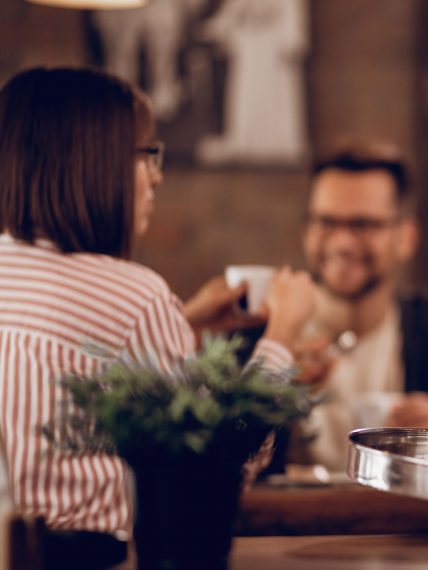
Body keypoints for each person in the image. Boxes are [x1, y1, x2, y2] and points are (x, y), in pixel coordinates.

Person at [0, 67, 315, 538]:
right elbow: (210, 479)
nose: (158, 177)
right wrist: (281, 340)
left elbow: (66, 362)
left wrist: (182, 323)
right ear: (94, 164)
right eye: (146, 154)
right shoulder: (133, 295)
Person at [296, 145, 428, 469]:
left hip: (402, 519)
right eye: (326, 223)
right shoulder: (268, 328)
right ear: (306, 231)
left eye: (363, 225)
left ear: (406, 237)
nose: (342, 243)